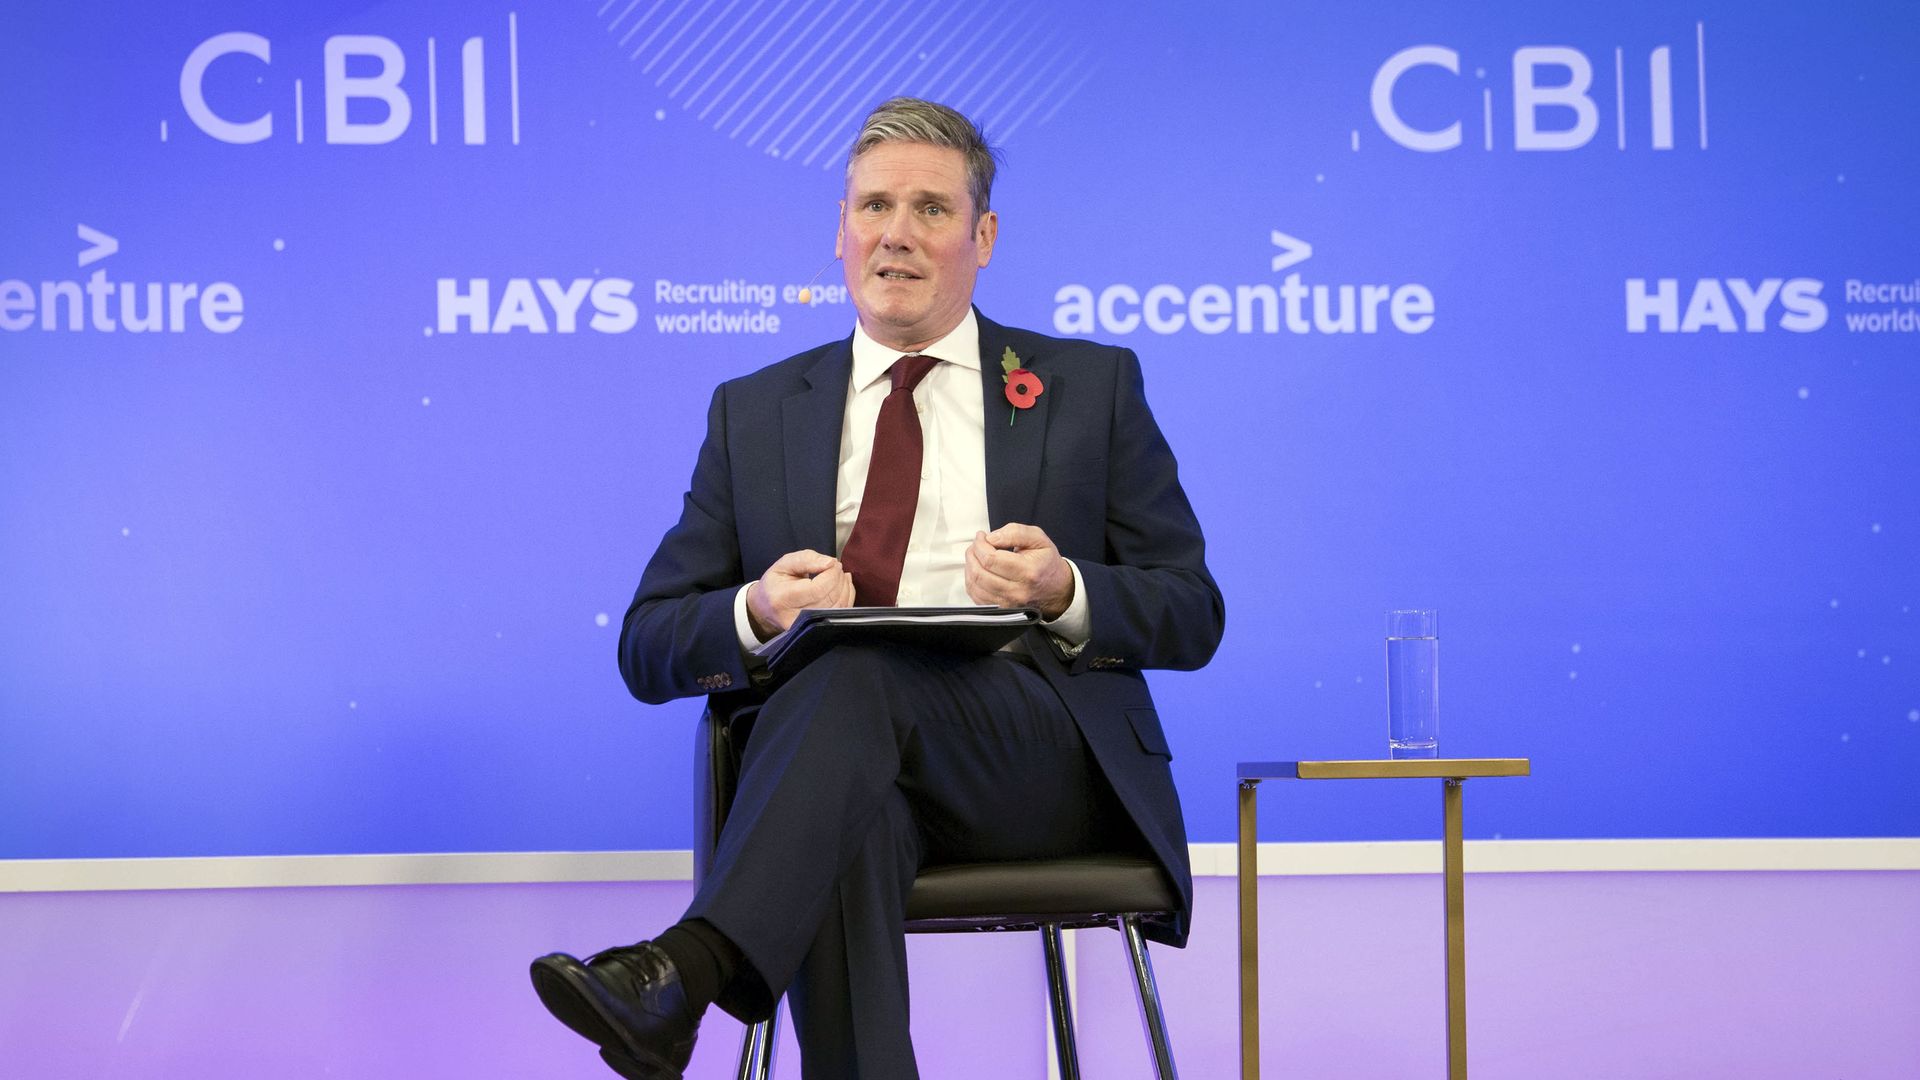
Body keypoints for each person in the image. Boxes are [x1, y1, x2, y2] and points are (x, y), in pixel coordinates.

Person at [531, 97, 1223, 1079]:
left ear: (983, 237)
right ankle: (686, 975)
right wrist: (760, 610)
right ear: (842, 231)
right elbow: (648, 645)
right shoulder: (758, 412)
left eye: (931, 210)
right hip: (843, 771)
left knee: (844, 683)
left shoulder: (1086, 386)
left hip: (1030, 762)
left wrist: (1065, 586)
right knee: (846, 777)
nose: (896, 234)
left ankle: (685, 968)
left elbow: (1191, 609)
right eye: (873, 208)